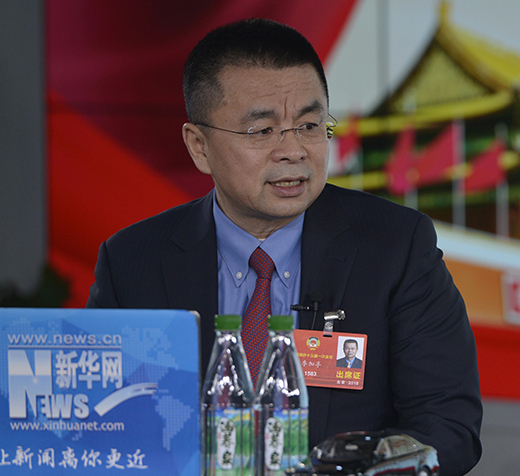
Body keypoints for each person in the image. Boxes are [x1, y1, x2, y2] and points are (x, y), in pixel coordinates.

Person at [87, 18, 482, 476]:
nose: (293, 150)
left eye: (309, 125)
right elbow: (102, 427)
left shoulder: (396, 247)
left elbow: (447, 427)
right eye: (262, 131)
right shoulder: (132, 262)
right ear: (199, 147)